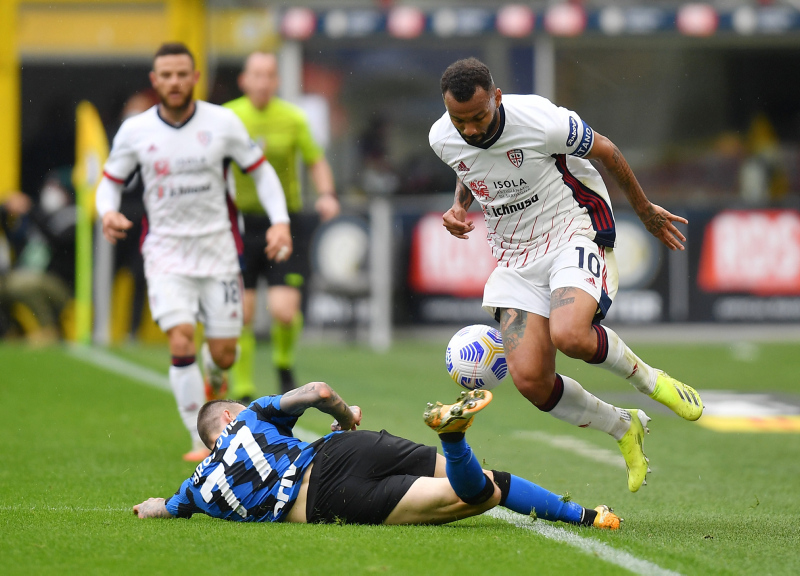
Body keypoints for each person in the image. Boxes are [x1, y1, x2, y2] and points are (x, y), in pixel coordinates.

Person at [430, 58, 704, 493]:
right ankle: (622, 426)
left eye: (479, 117)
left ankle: (654, 383)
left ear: (497, 98)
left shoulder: (541, 121)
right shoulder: (442, 136)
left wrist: (645, 210)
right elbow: (469, 168)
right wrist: (460, 206)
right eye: (459, 120)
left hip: (571, 229)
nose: (470, 130)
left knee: (572, 335)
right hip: (514, 258)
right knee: (532, 382)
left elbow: (609, 151)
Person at [96, 43, 292, 462]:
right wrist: (107, 211)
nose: (174, 82)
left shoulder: (222, 123)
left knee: (224, 353)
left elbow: (262, 172)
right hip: (165, 252)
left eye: (182, 74)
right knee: (181, 338)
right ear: (155, 81)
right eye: (165, 75)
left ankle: (214, 367)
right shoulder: (136, 130)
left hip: (219, 250)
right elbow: (110, 180)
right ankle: (197, 438)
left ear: (195, 77)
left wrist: (280, 221)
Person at [133, 386, 620, 530]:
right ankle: (588, 516)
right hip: (345, 447)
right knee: (488, 481)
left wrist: (153, 503)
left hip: (330, 497)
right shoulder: (253, 414)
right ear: (230, 415)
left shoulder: (194, 487)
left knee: (479, 494)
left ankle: (454, 438)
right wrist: (345, 417)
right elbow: (319, 391)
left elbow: (158, 507)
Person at [223, 52, 339, 401]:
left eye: (269, 75)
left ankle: (284, 365)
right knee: (241, 310)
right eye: (255, 74)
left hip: (283, 222)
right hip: (241, 224)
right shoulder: (228, 116)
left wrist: (327, 194)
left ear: (276, 82)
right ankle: (242, 386)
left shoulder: (292, 118)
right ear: (244, 80)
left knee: (284, 311)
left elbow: (315, 159)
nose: (262, 82)